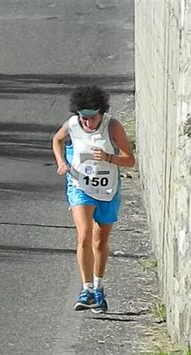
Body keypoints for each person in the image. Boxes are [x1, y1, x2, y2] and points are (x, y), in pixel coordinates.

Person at [51, 85, 134, 313]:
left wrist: (108, 157)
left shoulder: (112, 126)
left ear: (101, 112)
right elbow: (57, 140)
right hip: (80, 185)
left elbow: (130, 161)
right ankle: (86, 289)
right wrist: (61, 163)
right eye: (83, 117)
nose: (87, 122)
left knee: (100, 241)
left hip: (108, 189)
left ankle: (98, 287)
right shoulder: (73, 125)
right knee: (84, 235)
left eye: (92, 117)